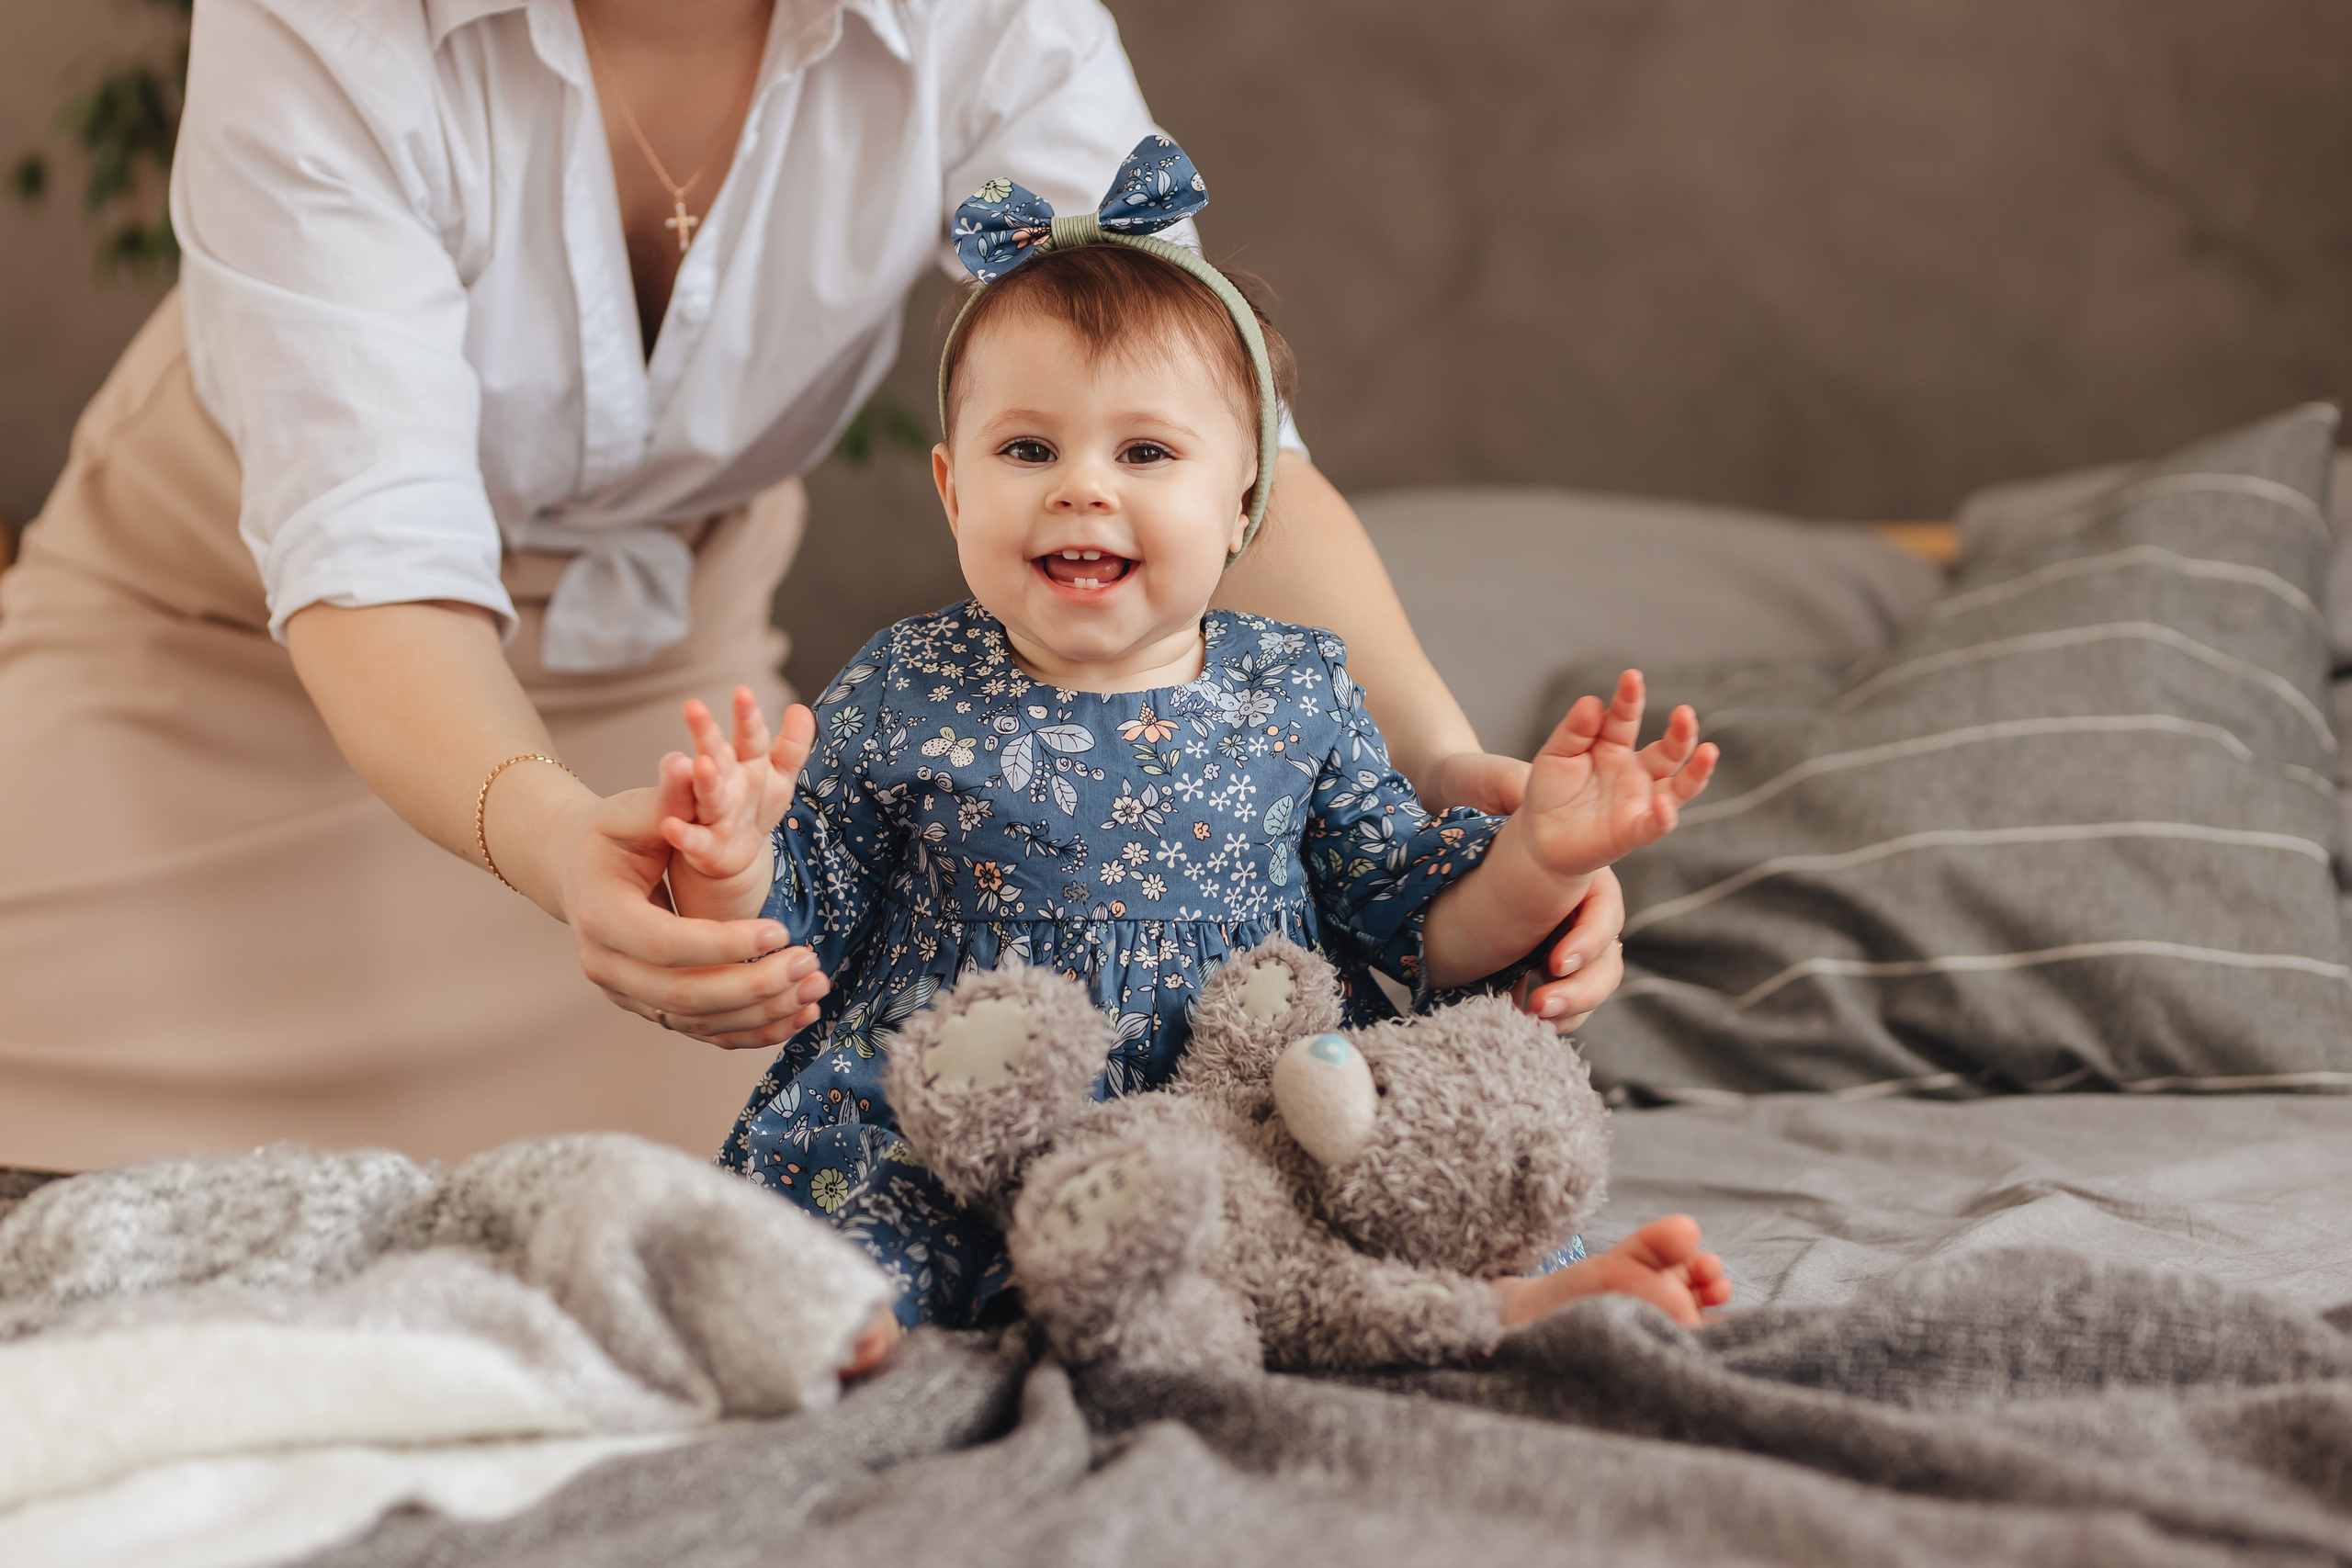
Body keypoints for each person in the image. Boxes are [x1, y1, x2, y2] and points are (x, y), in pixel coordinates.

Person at [0, 0, 1631, 1173]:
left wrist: (1447, 786)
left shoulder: (990, 21)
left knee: (739, 1161)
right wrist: (556, 833)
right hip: (218, 660)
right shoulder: (313, 22)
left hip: (676, 736)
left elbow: (1211, 433)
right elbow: (365, 548)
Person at [653, 141, 1731, 1348]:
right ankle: (853, 1324)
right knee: (844, 1230)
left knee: (1353, 1206)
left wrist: (1542, 857)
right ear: (954, 491)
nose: (1082, 489)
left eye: (1146, 452)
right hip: (972, 1103)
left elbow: (1415, 923)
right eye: (1029, 450)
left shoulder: (1301, 687)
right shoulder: (906, 684)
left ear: (1247, 506)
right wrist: (730, 858)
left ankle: (1511, 1308)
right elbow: (801, 922)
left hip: (1231, 1099)